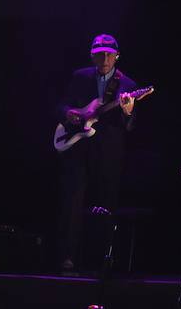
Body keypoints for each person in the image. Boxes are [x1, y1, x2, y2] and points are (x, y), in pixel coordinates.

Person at [55, 34, 141, 272]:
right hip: (78, 148)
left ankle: (103, 258)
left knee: (105, 204)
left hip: (108, 154)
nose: (104, 58)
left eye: (109, 54)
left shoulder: (128, 86)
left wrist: (128, 110)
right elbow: (61, 104)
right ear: (92, 55)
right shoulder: (79, 77)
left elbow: (130, 126)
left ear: (117, 57)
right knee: (72, 203)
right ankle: (68, 257)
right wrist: (69, 112)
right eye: (100, 54)